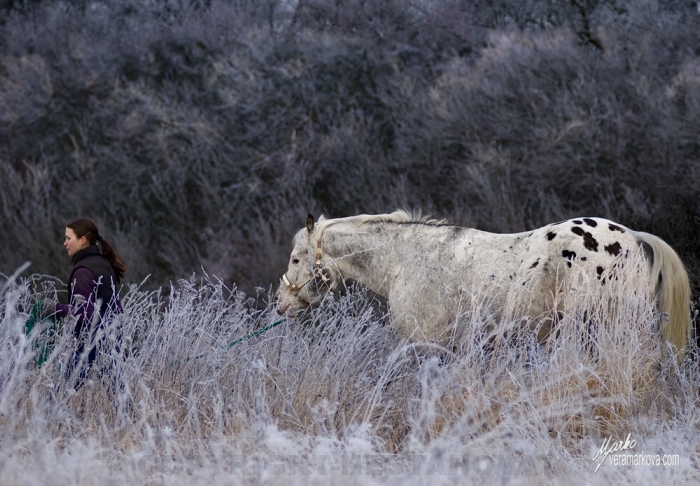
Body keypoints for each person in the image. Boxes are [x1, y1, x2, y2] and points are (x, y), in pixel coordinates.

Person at [42, 218, 127, 387]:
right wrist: (120, 339)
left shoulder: (83, 272)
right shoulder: (104, 264)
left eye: (69, 238)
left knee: (58, 398)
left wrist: (52, 308)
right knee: (122, 402)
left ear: (82, 240)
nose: (65, 243)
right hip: (110, 343)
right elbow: (116, 306)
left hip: (89, 347)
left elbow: (82, 314)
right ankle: (142, 415)